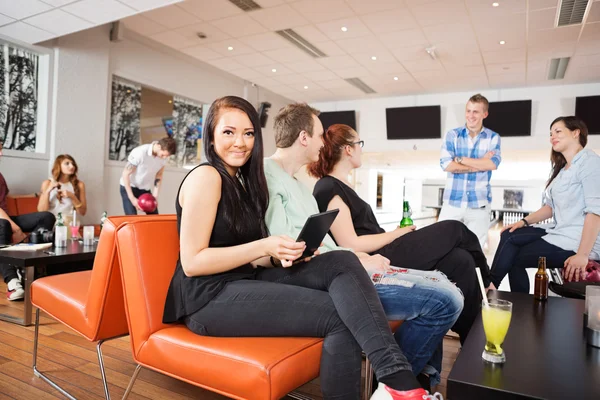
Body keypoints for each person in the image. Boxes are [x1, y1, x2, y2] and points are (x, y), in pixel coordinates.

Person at [163, 96, 444, 400]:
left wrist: (280, 254)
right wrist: (264, 245)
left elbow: (248, 255)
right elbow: (192, 262)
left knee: (340, 261)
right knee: (340, 315)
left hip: (243, 280)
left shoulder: (243, 183)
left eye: (248, 133)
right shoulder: (206, 177)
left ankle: (395, 382)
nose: (240, 142)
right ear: (211, 135)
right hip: (207, 300)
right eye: (229, 132)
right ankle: (399, 383)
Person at [264, 103, 459, 396]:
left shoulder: (300, 186)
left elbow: (322, 243)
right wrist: (353, 259)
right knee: (446, 300)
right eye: (319, 135)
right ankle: (392, 388)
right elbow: (290, 247)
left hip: (344, 267)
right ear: (304, 138)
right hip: (327, 281)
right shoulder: (266, 175)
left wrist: (361, 257)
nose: (323, 143)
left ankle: (414, 382)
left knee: (445, 283)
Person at [307, 123, 490, 344]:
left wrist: (394, 233)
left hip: (385, 248)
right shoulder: (328, 187)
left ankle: (471, 341)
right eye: (359, 144)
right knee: (454, 228)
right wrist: (396, 234)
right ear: (348, 149)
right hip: (378, 257)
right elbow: (350, 243)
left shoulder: (341, 185)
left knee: (461, 261)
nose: (361, 149)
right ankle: (489, 280)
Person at [490, 116, 600, 292]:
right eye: (550, 134)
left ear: (575, 133)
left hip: (578, 240)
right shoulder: (563, 170)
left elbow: (595, 212)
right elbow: (550, 208)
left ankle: (492, 289)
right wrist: (523, 222)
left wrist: (582, 255)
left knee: (514, 257)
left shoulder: (590, 162)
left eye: (558, 131)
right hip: (559, 230)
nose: (552, 137)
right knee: (509, 235)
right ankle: (491, 285)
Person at [439, 93, 502, 248]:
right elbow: (446, 165)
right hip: (452, 202)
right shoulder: (452, 135)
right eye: (468, 111)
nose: (470, 115)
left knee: (475, 252)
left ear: (484, 114)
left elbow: (492, 164)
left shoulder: (493, 137)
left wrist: (460, 159)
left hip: (479, 204)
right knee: (439, 245)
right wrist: (479, 165)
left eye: (475, 111)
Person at [0, 141, 55, 300]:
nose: (2, 154)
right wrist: (15, 228)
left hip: (5, 216)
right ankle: (12, 281)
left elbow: (6, 199)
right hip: (2, 220)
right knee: (4, 224)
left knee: (46, 216)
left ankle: (31, 267)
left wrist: (32, 196)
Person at [119, 136, 176, 215]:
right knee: (132, 219)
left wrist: (155, 196)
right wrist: (132, 198)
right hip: (128, 186)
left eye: (167, 156)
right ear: (159, 146)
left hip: (144, 188)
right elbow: (126, 174)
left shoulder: (163, 159)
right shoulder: (140, 152)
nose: (165, 157)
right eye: (163, 155)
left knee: (154, 218)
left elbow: (159, 175)